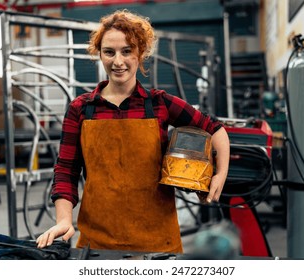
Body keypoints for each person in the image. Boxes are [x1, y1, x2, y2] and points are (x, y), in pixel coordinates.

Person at [36, 9, 230, 254]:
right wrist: (63, 219)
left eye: (127, 51)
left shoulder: (160, 104)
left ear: (141, 53)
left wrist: (220, 174)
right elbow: (66, 170)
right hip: (97, 242)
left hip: (158, 243)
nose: (118, 61)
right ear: (100, 55)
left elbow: (215, 129)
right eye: (109, 52)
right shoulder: (81, 109)